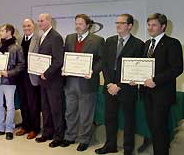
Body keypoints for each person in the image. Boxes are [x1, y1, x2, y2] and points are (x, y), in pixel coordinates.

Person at [95, 14, 144, 155]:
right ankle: (110, 146)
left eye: (121, 23)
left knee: (129, 120)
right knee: (109, 118)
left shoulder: (138, 44)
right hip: (110, 87)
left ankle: (128, 150)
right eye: (117, 22)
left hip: (127, 88)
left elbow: (136, 68)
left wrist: (119, 85)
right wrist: (110, 83)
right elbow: (104, 64)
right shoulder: (109, 41)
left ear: (130, 26)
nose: (118, 25)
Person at [141, 13, 183, 155]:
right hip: (147, 93)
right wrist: (135, 79)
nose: (150, 28)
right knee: (153, 127)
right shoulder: (147, 44)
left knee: (160, 127)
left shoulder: (173, 43)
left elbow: (177, 68)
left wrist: (156, 80)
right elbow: (142, 67)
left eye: (154, 25)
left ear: (163, 26)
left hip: (162, 93)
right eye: (149, 25)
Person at [63, 14, 105, 152]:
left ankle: (84, 139)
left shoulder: (98, 40)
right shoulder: (69, 38)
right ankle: (69, 136)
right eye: (76, 23)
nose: (77, 26)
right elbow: (65, 56)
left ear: (88, 25)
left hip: (87, 81)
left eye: (80, 24)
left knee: (86, 113)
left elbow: (102, 60)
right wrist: (64, 67)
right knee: (70, 111)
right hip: (70, 81)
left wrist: (92, 71)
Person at [0, 24, 25, 140]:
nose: (0, 32)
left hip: (9, 79)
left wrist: (9, 73)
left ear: (9, 32)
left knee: (10, 105)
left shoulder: (17, 47)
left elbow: (21, 65)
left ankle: (9, 128)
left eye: (2, 30)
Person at [35, 13, 65, 148]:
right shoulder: (43, 36)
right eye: (38, 21)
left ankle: (58, 136)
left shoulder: (56, 37)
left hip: (53, 80)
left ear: (49, 21)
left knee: (56, 110)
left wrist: (46, 73)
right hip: (43, 80)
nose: (39, 23)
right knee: (45, 108)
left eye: (42, 21)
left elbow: (59, 60)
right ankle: (47, 133)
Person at [16, 18, 41, 139]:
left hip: (32, 76)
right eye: (24, 26)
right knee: (23, 103)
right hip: (20, 76)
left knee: (33, 104)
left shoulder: (39, 39)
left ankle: (34, 128)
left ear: (33, 26)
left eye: (29, 25)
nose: (26, 28)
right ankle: (25, 126)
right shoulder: (19, 39)